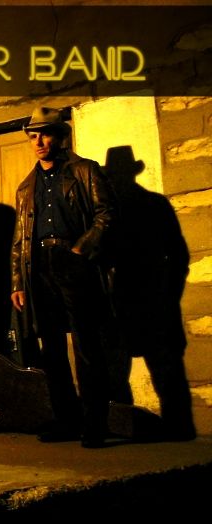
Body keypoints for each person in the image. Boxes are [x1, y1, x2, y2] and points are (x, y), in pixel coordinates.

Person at [10, 107, 117, 448]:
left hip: (74, 260)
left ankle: (95, 422)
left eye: (45, 134)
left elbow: (106, 214)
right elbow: (19, 239)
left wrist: (80, 251)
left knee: (86, 345)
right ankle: (66, 419)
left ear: (59, 136)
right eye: (33, 136)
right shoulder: (26, 187)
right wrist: (17, 282)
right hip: (39, 266)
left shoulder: (85, 171)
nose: (38, 142)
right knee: (51, 348)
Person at [104, 145, 196, 441]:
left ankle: (129, 427)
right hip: (143, 297)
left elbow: (178, 255)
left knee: (142, 369)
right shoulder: (150, 205)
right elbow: (179, 256)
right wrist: (170, 291)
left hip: (135, 298)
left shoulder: (111, 211)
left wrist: (169, 292)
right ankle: (176, 428)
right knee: (157, 369)